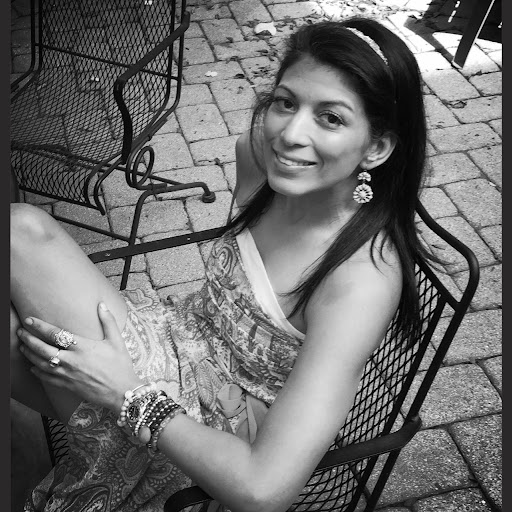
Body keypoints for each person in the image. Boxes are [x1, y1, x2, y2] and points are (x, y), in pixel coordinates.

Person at [11, 16, 430, 512]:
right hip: (176, 335)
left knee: (22, 231)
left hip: (207, 430)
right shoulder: (262, 158)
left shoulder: (361, 281)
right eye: (286, 102)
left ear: (377, 147)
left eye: (331, 118)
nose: (291, 134)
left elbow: (263, 490)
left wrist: (127, 392)